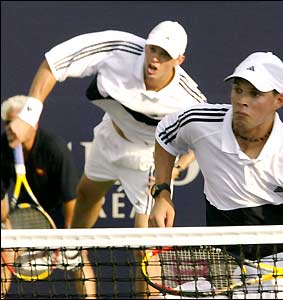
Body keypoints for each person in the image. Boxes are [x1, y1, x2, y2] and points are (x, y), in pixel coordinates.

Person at [6, 20, 207, 297]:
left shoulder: (188, 97)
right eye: (153, 49)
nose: (155, 59)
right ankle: (73, 248)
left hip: (149, 157)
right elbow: (52, 64)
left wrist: (179, 165)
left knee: (145, 251)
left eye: (165, 55)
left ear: (179, 60)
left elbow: (208, 134)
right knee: (86, 194)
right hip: (109, 136)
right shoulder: (118, 48)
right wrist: (29, 115)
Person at [149, 51, 283, 298]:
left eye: (255, 94)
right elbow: (165, 134)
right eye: (238, 90)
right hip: (228, 265)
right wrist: (162, 193)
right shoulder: (201, 122)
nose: (242, 100)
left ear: (279, 100)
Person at [1, 95, 97, 299]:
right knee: (3, 256)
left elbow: (72, 203)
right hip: (21, 218)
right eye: (7, 123)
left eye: (16, 121)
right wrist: (8, 231)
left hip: (60, 217)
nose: (11, 127)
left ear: (32, 123)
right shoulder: (3, 147)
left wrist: (70, 239)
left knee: (79, 258)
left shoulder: (53, 148)